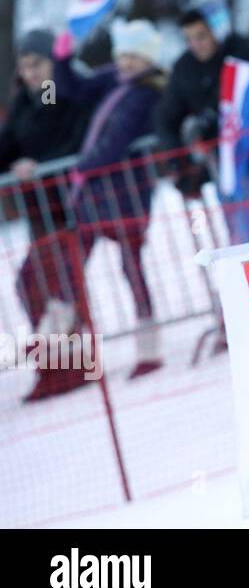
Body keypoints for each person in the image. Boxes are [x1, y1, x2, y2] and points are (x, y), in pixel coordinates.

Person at [53, 20, 171, 379]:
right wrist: (62, 58)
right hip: (95, 198)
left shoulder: (146, 93)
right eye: (122, 55)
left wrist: (82, 166)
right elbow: (76, 88)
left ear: (148, 59)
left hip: (127, 196)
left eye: (135, 56)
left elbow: (117, 139)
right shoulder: (114, 79)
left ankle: (148, 347)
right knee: (72, 263)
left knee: (131, 268)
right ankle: (59, 336)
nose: (127, 63)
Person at [0, 29, 91, 401]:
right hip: (39, 209)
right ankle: (65, 363)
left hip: (65, 205)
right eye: (24, 65)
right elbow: (11, 143)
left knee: (56, 288)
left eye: (35, 62)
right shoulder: (25, 99)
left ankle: (65, 366)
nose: (30, 71)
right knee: (37, 285)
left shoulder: (53, 94)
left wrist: (36, 164)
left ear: (51, 61)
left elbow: (58, 136)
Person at [154, 7, 249, 195]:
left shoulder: (244, 50)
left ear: (217, 31)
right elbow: (166, 115)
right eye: (189, 39)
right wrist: (179, 161)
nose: (195, 44)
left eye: (201, 36)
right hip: (222, 164)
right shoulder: (184, 67)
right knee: (235, 220)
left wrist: (210, 116)